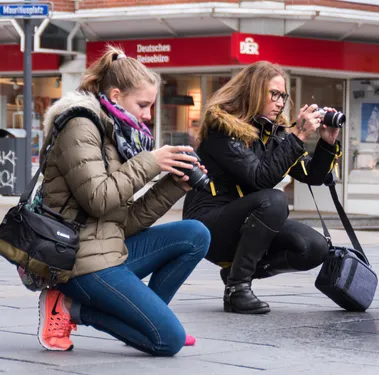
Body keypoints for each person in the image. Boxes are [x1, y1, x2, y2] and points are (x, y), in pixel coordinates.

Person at [37, 46, 211, 356]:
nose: (148, 115)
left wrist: (175, 186)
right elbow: (99, 201)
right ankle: (69, 307)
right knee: (167, 341)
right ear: (116, 96)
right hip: (76, 262)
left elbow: (123, 221)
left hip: (109, 249)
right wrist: (150, 162)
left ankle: (150, 318)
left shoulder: (119, 137)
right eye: (143, 105)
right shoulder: (80, 126)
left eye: (151, 106)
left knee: (196, 234)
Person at [182, 61, 342, 314]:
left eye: (283, 96)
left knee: (314, 247)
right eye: (274, 94)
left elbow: (312, 175)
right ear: (253, 92)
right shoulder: (223, 128)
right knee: (275, 199)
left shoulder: (274, 133)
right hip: (208, 225)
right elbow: (259, 179)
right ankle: (237, 288)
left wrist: (327, 143)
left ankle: (235, 274)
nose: (280, 103)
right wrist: (298, 136)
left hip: (248, 222)